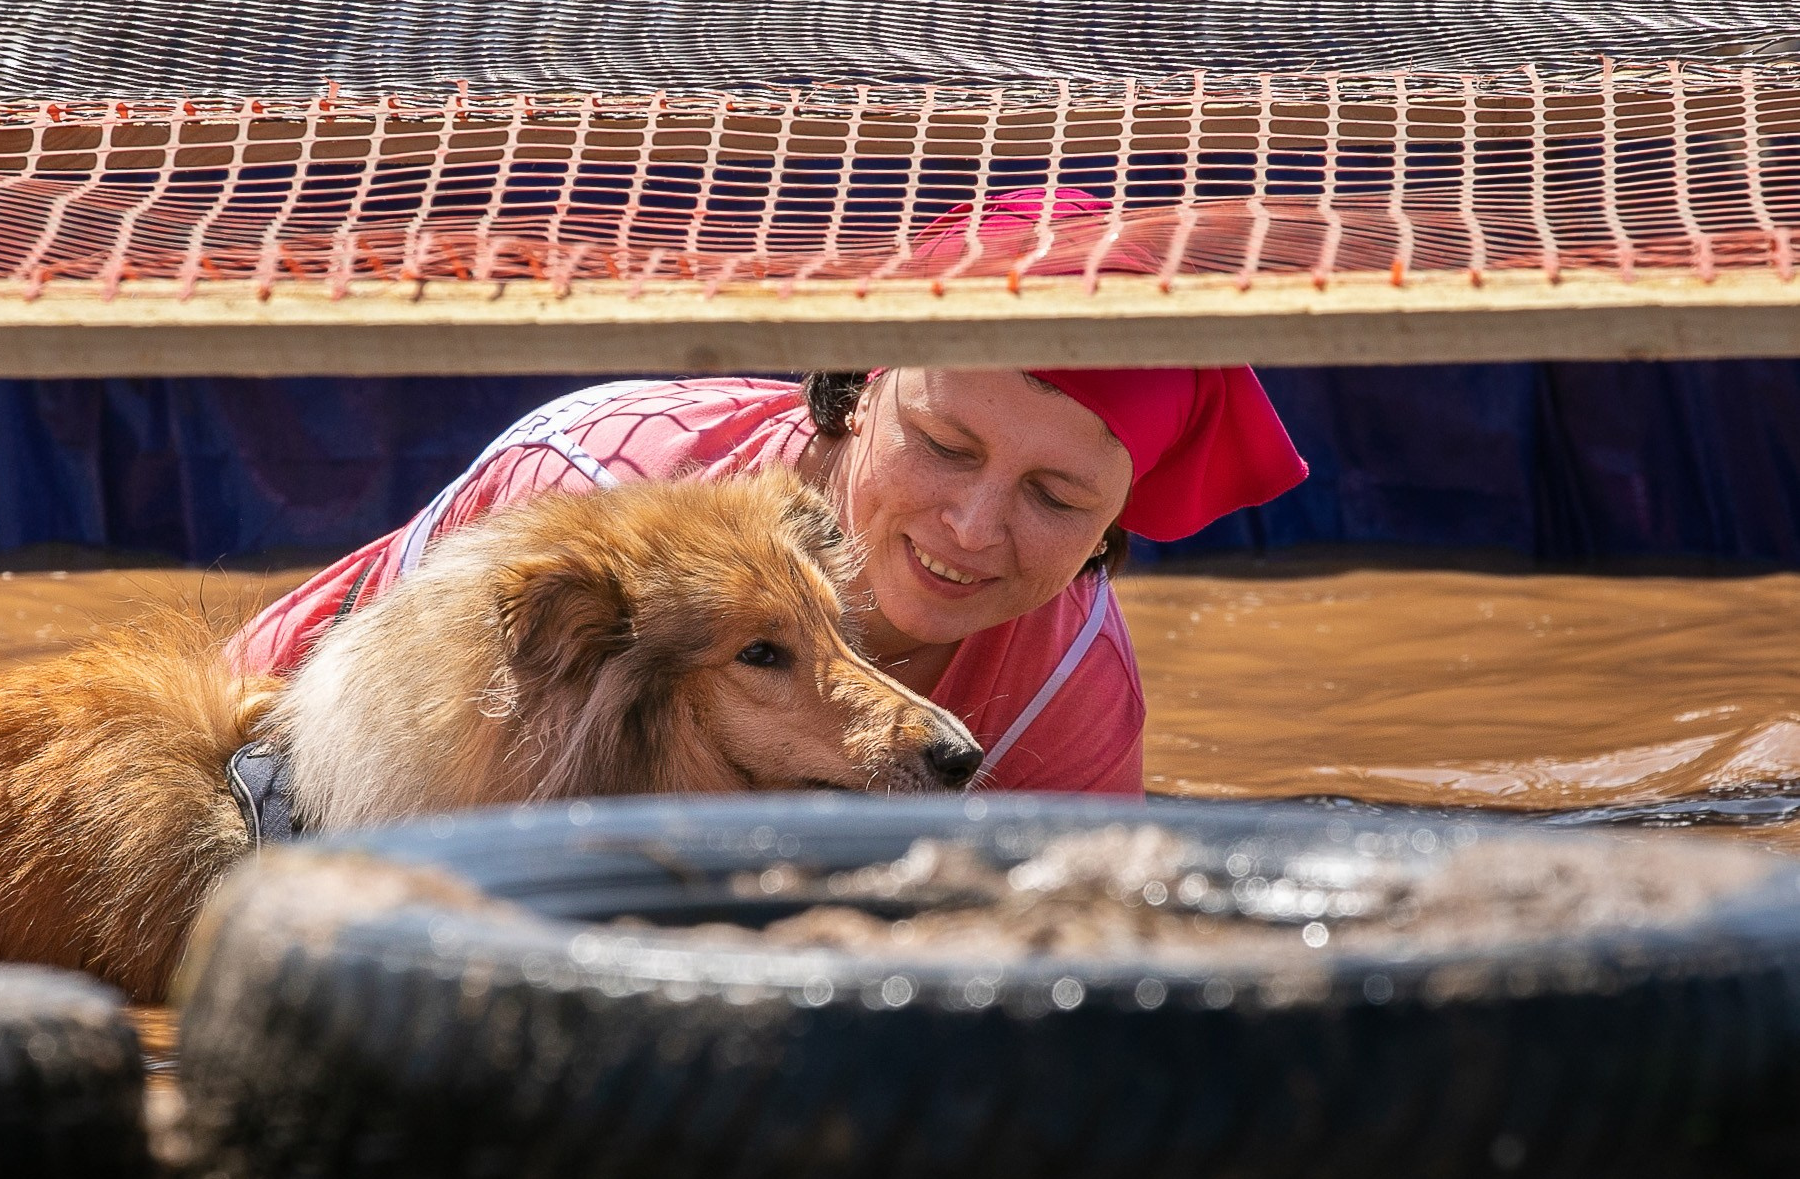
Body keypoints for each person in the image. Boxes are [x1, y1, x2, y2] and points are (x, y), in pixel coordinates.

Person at [233, 197, 1308, 795]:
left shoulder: (1067, 696)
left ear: (1107, 534)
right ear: (861, 388)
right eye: (941, 443)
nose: (972, 530)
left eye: (1057, 497)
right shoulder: (597, 488)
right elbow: (255, 743)